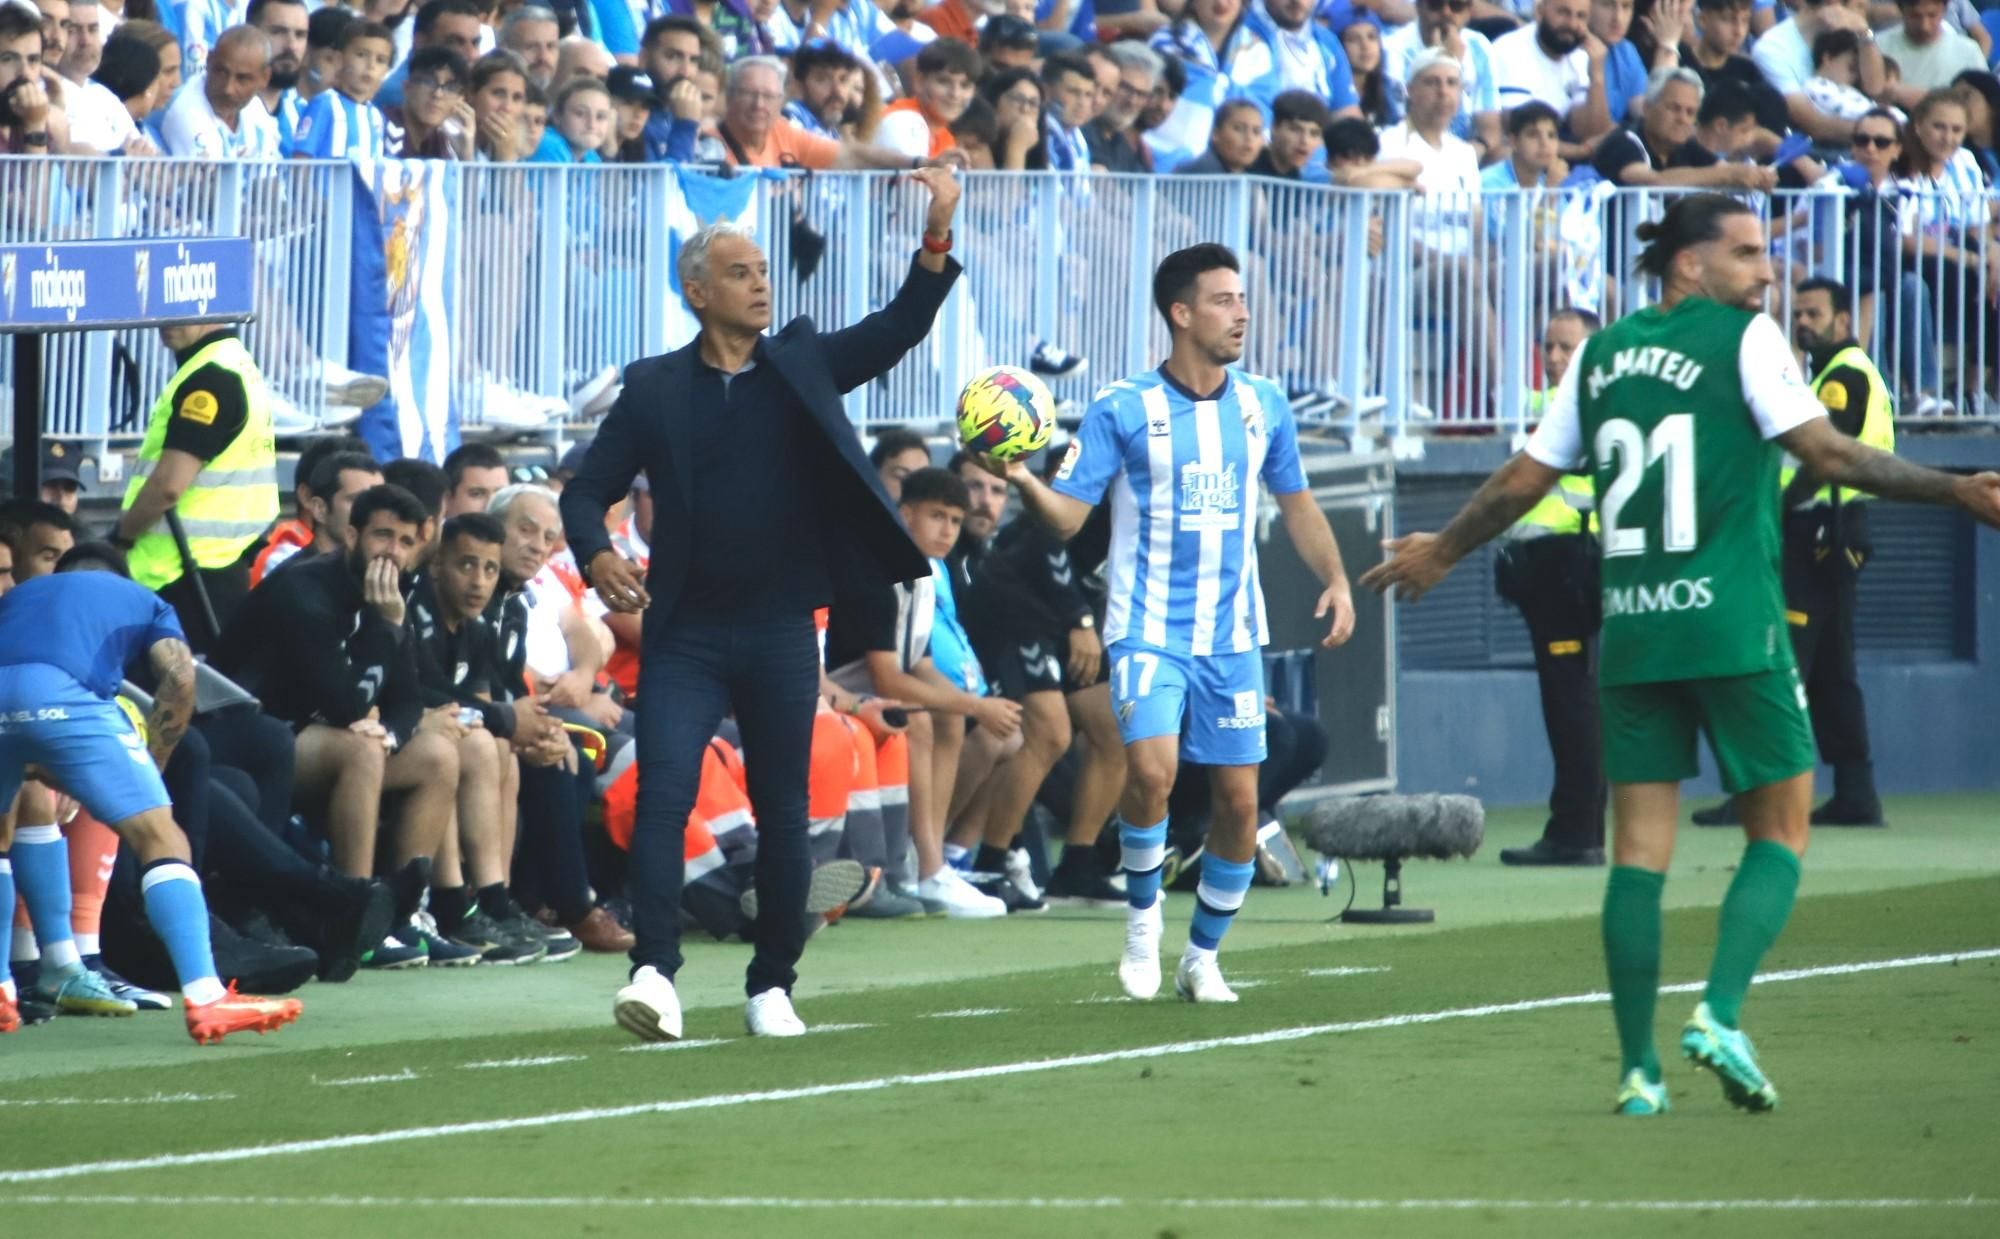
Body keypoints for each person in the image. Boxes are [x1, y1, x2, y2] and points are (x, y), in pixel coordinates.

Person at [1358, 193, 2000, 1115]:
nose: (1767, 274)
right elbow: (1829, 457)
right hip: (1734, 623)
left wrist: (1443, 551)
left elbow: (1520, 481)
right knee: (1781, 828)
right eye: (1747, 254)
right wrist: (1956, 490)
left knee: (1639, 856)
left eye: (1768, 257)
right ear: (1689, 266)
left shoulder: (1600, 354)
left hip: (1636, 630)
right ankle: (1721, 1013)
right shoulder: (1747, 340)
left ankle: (1638, 1072)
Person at [559, 168, 964, 1042]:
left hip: (785, 628)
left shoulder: (801, 363)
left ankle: (771, 982)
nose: (762, 283)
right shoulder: (656, 386)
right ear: (697, 292)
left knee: (785, 810)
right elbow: (586, 490)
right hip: (686, 633)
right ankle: (655, 975)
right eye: (741, 273)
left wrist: (934, 239)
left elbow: (899, 328)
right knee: (664, 794)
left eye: (763, 270)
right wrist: (594, 553)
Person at [979, 243, 1358, 1005]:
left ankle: (1203, 956)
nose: (1241, 312)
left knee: (1241, 804)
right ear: (1180, 314)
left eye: (1242, 298)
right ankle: (1143, 926)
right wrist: (1022, 478)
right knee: (1150, 770)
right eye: (1223, 300)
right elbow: (1067, 517)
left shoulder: (1263, 404)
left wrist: (1337, 578)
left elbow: (1298, 503)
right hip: (1147, 626)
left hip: (1232, 634)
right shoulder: (1123, 408)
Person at [0, 566, 304, 1042]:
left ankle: (2, 990)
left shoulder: (23, 598)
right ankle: (206, 996)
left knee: (4, 836)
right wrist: (152, 766)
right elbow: (181, 679)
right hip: (64, 695)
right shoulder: (153, 606)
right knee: (161, 836)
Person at [1692, 276, 1895, 829]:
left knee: (1783, 664)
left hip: (1819, 533)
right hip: (1840, 532)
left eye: (1814, 314)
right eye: (1798, 315)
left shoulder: (1841, 377)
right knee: (1832, 669)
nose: (1803, 323)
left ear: (1845, 322)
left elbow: (1822, 461)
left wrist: (1775, 508)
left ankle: (1758, 794)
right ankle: (1856, 794)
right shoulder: (1842, 373)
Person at [1495, 308, 1607, 867]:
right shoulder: (1542, 404)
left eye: (1569, 349)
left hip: (1571, 566)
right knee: (1569, 700)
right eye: (1549, 347)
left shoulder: (1593, 407)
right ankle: (1578, 826)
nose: (1555, 358)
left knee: (1573, 703)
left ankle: (1578, 831)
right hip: (1547, 568)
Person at [110, 321, 279, 655]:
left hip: (182, 574)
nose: (166, 320)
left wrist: (121, 537)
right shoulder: (236, 363)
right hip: (217, 568)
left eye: (181, 310)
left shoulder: (211, 378)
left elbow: (168, 486)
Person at [160, 23, 280, 158]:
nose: (228, 88)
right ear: (209, 60)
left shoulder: (256, 109)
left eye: (242, 79)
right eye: (221, 72)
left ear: (265, 78)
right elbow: (211, 177)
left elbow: (271, 176)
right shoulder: (185, 108)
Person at [288, 17, 393, 158]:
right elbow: (301, 158)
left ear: (386, 70)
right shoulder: (324, 104)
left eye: (380, 60)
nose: (371, 66)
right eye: (361, 55)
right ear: (339, 60)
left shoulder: (376, 117)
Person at [1876, 0, 1985, 98]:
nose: (1925, 26)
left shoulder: (1969, 51)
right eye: (1915, 16)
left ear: (1944, 10)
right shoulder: (1878, 46)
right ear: (1901, 10)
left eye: (1932, 15)